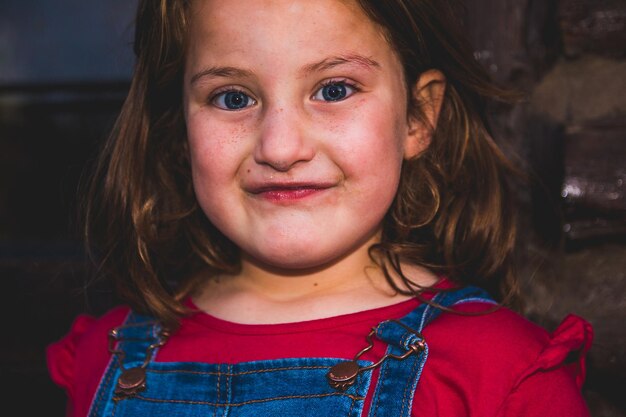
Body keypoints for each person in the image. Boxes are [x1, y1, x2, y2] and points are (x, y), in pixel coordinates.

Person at [47, 0, 593, 416]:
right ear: (180, 129)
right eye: (233, 98)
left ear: (418, 118)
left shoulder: (502, 373)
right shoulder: (107, 358)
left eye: (334, 90)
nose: (281, 148)